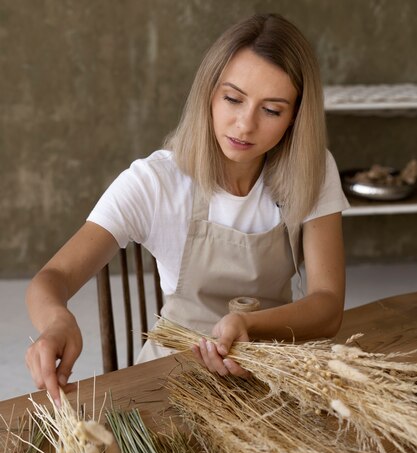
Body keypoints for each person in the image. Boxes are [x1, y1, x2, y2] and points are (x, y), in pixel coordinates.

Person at [26, 13, 348, 407]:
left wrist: (249, 325)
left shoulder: (311, 170)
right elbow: (53, 277)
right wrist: (57, 321)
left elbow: (328, 303)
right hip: (173, 380)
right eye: (232, 98)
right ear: (208, 93)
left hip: (274, 372)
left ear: (296, 115)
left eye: (272, 110)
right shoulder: (155, 182)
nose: (244, 125)